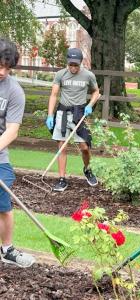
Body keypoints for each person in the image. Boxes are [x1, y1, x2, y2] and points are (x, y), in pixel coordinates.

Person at [0, 37, 35, 267]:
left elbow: (12, 131)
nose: (2, 71)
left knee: (2, 204)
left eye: (7, 67)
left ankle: (7, 249)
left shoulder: (14, 91)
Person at [46, 48, 100, 192]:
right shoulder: (60, 74)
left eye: (76, 65)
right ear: (67, 62)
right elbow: (53, 95)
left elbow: (96, 92)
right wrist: (50, 115)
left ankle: (87, 170)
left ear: (81, 63)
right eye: (71, 64)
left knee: (84, 147)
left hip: (80, 113)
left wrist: (90, 105)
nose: (73, 68)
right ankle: (62, 179)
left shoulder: (88, 75)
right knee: (62, 146)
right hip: (63, 113)